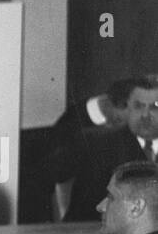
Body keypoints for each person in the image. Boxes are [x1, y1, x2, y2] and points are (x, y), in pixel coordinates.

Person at [52, 76, 158, 222]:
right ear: (128, 107)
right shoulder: (96, 144)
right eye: (138, 106)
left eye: (155, 107)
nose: (145, 115)